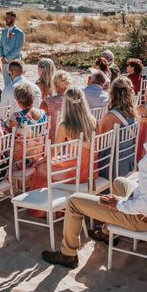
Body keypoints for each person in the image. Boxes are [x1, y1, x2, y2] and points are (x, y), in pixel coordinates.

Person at [41, 99, 147, 268]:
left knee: (74, 201)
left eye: (144, 117)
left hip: (144, 219)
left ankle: (68, 254)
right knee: (119, 182)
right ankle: (106, 234)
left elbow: (142, 205)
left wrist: (118, 204)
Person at [29, 87, 96, 217]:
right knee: (44, 165)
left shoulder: (65, 125)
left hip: (74, 172)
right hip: (90, 169)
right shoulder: (92, 120)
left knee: (41, 168)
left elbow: (55, 152)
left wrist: (43, 159)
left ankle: (44, 210)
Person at [98, 76, 138, 177]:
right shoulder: (133, 114)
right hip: (127, 163)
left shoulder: (111, 116)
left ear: (113, 93)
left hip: (111, 166)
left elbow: (100, 145)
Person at [7, 82, 49, 172]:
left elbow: (8, 136)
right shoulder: (43, 114)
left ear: (18, 101)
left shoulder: (15, 117)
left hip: (21, 160)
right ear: (33, 99)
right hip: (38, 155)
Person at [40, 70, 71, 142]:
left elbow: (40, 124)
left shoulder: (46, 102)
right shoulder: (73, 101)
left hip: (50, 141)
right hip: (69, 141)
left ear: (55, 85)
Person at [0, 11, 25, 86]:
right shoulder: (3, 31)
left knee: (16, 83)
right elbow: (0, 45)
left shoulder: (19, 33)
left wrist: (7, 58)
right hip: (4, 63)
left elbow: (18, 49)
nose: (6, 19)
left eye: (8, 18)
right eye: (6, 17)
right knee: (6, 82)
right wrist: (2, 57)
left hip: (15, 62)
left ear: (14, 18)